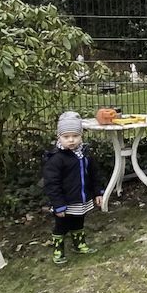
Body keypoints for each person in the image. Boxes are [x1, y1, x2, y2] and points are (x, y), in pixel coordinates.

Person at [42, 111, 104, 264]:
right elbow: (52, 183)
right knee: (61, 226)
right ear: (59, 137)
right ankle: (58, 249)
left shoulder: (85, 155)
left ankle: (79, 244)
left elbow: (94, 175)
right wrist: (58, 205)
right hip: (65, 202)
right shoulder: (56, 159)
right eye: (66, 137)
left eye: (75, 136)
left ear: (81, 136)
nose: (71, 140)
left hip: (81, 199)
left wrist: (98, 192)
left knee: (79, 222)